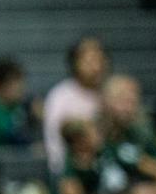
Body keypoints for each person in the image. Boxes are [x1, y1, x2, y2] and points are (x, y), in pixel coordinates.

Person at [97, 74, 156, 194]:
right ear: (105, 101)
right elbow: (119, 153)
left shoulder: (141, 128)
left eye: (132, 101)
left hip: (139, 189)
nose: (128, 108)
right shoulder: (93, 130)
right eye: (122, 100)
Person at [42, 36, 109, 174]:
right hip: (72, 170)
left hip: (106, 166)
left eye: (100, 60)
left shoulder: (110, 93)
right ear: (75, 63)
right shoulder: (60, 96)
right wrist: (63, 172)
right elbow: (54, 142)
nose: (96, 67)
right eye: (89, 61)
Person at [0, 57, 36, 149]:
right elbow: (12, 137)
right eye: (15, 83)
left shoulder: (16, 107)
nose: (22, 88)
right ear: (0, 86)